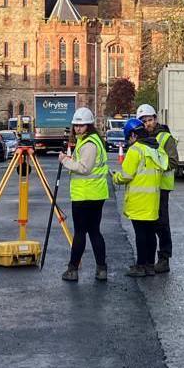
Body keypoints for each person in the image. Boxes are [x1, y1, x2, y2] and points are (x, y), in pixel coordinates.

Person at [57, 107, 110, 283]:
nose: (78, 128)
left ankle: (73, 269)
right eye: (76, 125)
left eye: (82, 125)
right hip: (96, 194)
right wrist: (71, 160)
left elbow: (84, 168)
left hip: (85, 196)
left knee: (81, 233)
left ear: (89, 125)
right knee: (94, 231)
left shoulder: (89, 143)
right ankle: (101, 269)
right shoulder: (91, 140)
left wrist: (65, 161)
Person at [112, 118, 167, 277]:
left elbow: (126, 175)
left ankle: (140, 266)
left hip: (139, 200)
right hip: (153, 200)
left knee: (140, 235)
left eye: (129, 137)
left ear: (134, 135)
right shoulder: (155, 148)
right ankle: (150, 265)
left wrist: (116, 177)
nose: (128, 141)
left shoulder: (136, 150)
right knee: (150, 234)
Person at [137, 103, 178, 274]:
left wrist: (156, 167)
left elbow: (173, 161)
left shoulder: (165, 137)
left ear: (155, 119)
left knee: (161, 224)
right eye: (144, 121)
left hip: (161, 187)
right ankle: (149, 259)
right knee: (149, 224)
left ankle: (164, 258)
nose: (147, 124)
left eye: (150, 120)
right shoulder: (142, 139)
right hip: (147, 187)